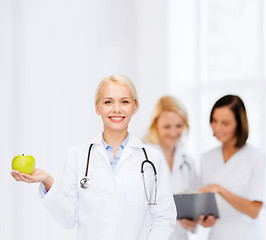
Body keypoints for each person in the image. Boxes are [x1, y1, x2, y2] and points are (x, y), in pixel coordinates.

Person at [10, 74, 177, 240]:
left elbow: (163, 218)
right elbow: (68, 219)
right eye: (108, 102)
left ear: (134, 106)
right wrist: (47, 180)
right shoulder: (78, 155)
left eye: (124, 101)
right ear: (98, 107)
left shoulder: (152, 159)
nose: (116, 109)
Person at [198, 95, 266, 240]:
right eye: (214, 120)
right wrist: (204, 220)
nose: (217, 128)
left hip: (247, 235)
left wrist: (220, 189)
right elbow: (205, 206)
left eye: (225, 123)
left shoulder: (256, 157)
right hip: (216, 236)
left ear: (239, 123)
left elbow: (254, 211)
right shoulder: (206, 158)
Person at [144, 95, 199, 240]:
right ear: (155, 125)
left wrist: (193, 222)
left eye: (179, 126)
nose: (174, 133)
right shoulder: (143, 157)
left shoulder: (188, 162)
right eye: (167, 126)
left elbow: (194, 207)